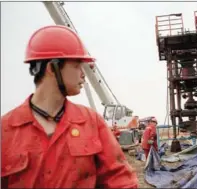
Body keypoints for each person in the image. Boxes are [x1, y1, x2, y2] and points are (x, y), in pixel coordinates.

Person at [1, 25, 138, 188]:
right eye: (76, 65)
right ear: (52, 68)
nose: (83, 74)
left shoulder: (92, 122)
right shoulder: (5, 129)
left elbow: (120, 180)